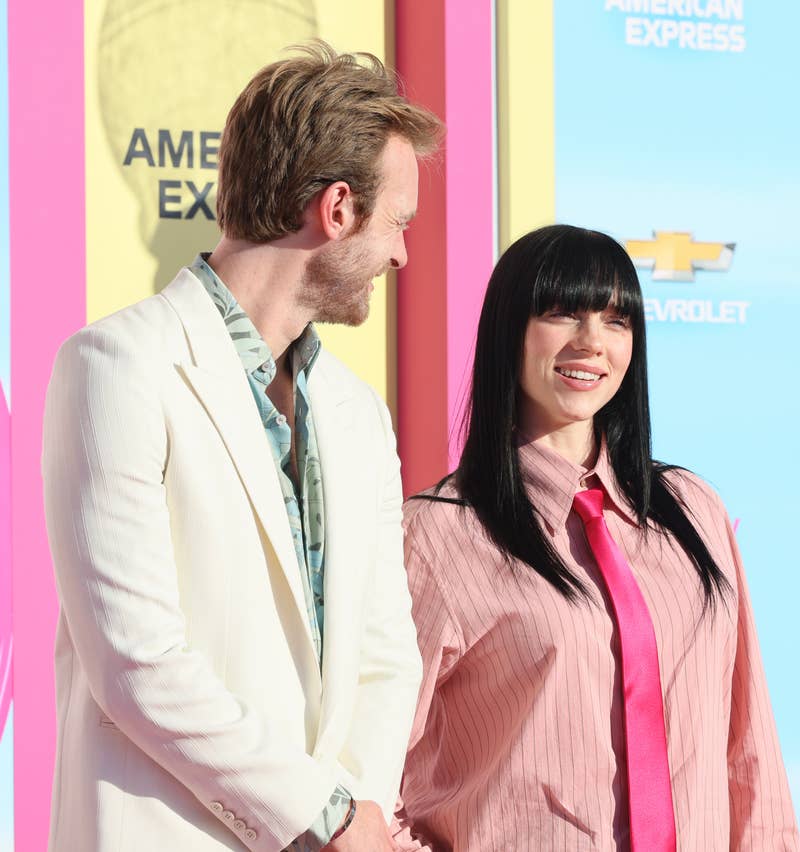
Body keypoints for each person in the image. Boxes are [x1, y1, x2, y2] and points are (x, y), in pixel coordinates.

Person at [42, 42, 442, 852]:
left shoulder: (359, 413)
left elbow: (385, 657)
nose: (402, 254)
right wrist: (323, 817)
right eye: (397, 222)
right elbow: (138, 663)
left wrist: (355, 816)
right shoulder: (119, 366)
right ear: (337, 209)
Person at [392, 225, 799, 851]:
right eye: (563, 314)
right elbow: (366, 773)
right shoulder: (438, 532)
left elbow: (749, 750)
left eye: (617, 321)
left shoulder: (694, 511)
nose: (592, 343)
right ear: (509, 330)